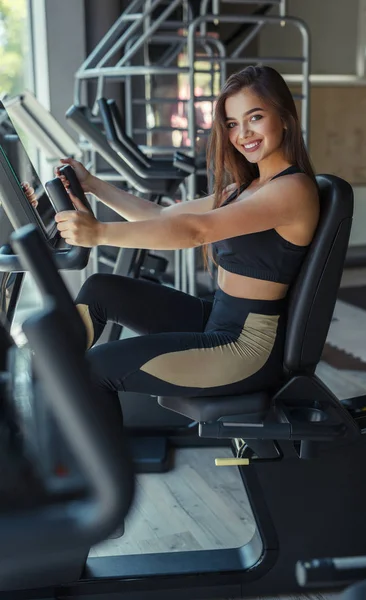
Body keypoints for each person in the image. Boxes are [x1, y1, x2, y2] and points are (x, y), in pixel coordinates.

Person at [53, 65, 320, 423]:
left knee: (96, 368)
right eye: (232, 124)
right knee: (100, 289)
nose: (243, 134)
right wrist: (94, 185)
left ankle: (103, 476)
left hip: (246, 349)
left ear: (285, 118)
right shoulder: (243, 189)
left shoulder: (292, 189)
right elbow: (163, 216)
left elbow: (195, 231)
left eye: (255, 117)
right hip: (216, 320)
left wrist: (99, 234)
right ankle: (49, 393)